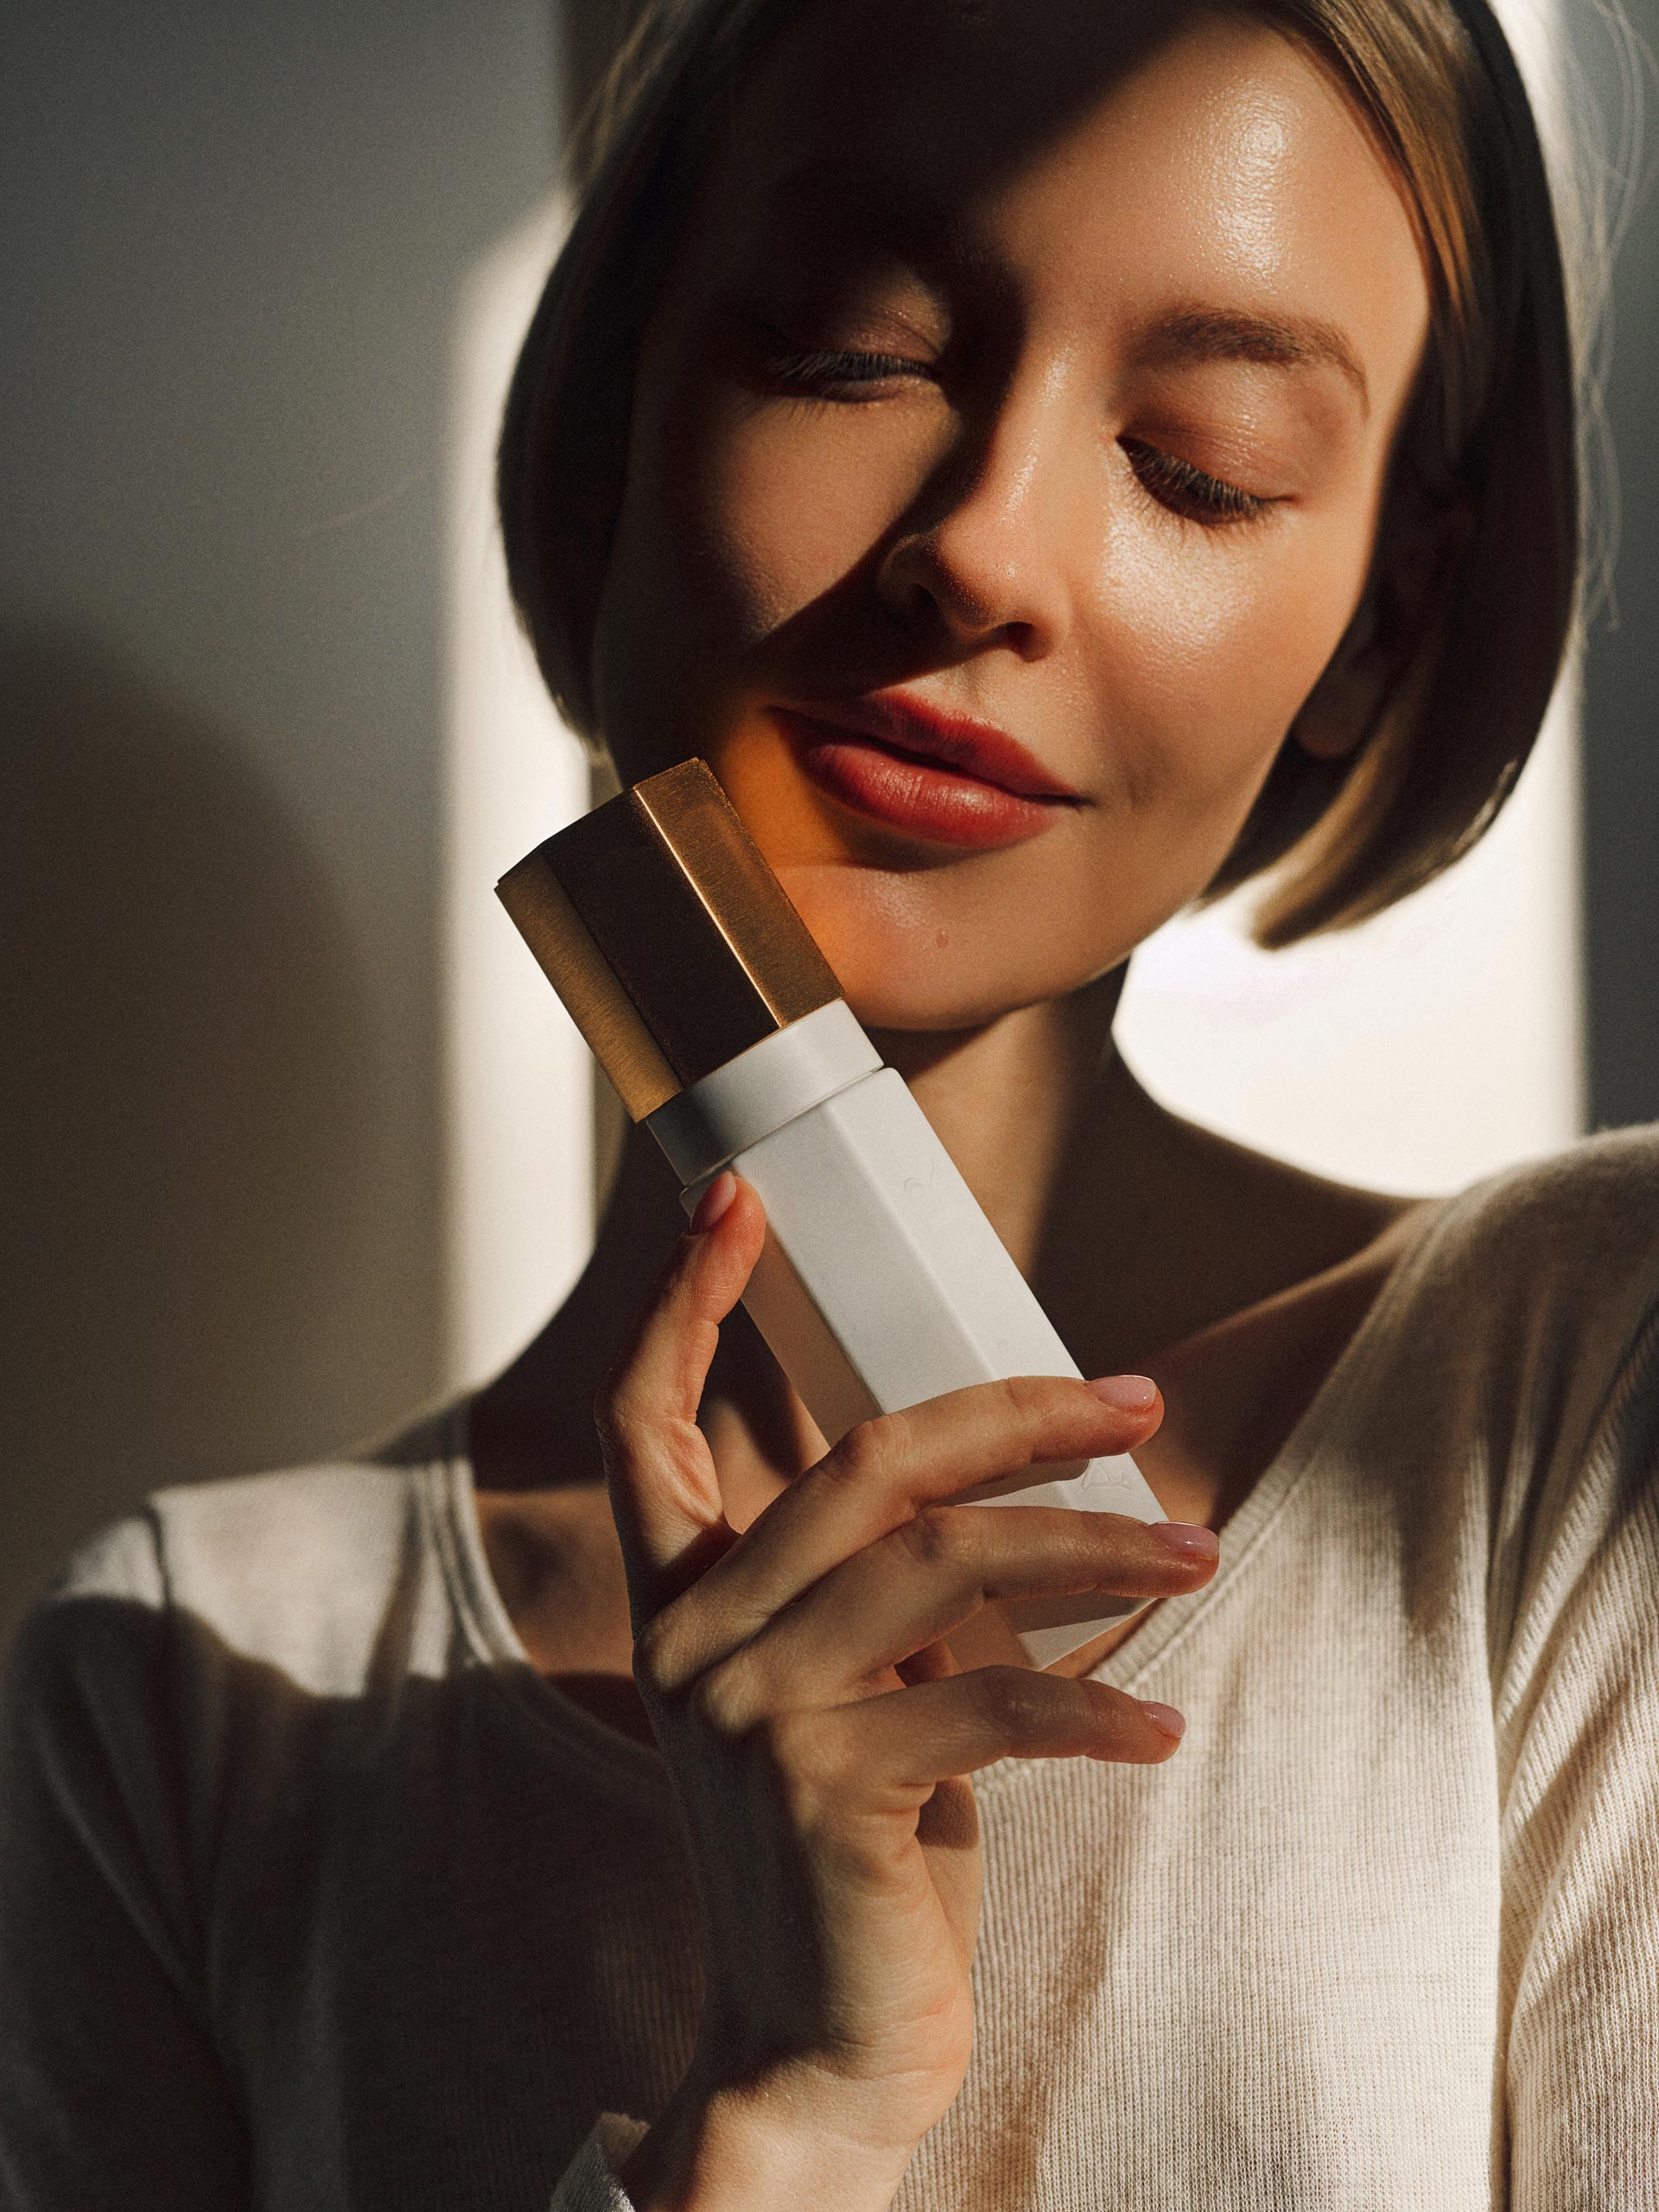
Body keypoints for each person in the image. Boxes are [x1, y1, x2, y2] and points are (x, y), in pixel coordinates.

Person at [2, 0, 1653, 2206]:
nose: (984, 548)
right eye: (857, 350)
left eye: (1205, 459)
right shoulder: (185, 1692)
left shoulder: (1576, 1396)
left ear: (1381, 615)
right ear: (608, 427)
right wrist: (776, 2132)